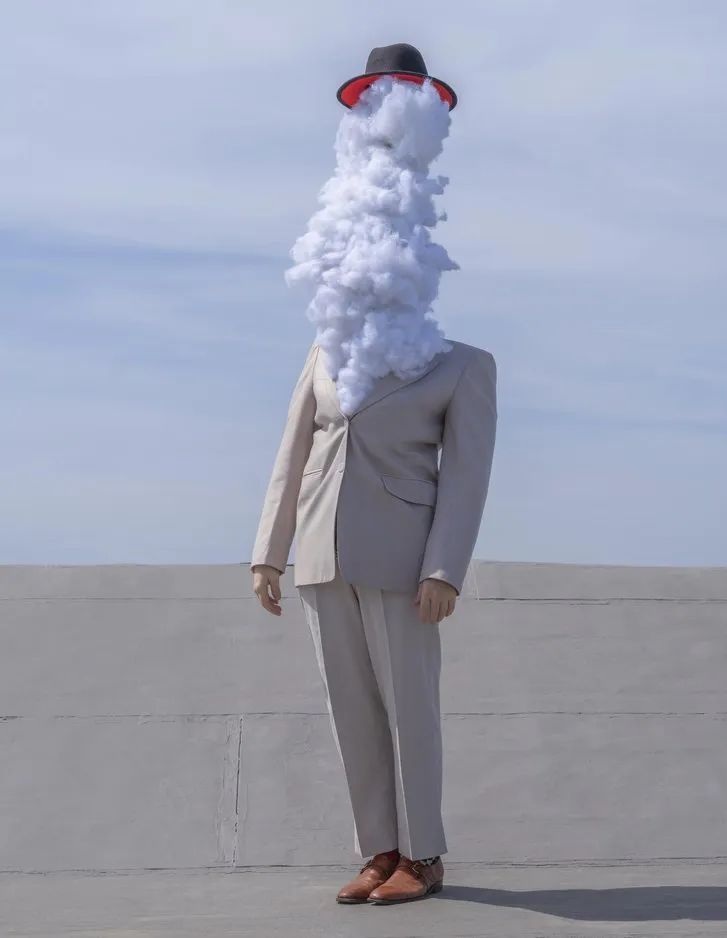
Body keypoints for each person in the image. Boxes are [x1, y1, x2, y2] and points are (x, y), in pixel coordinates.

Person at [250, 43, 497, 906]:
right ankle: (378, 850)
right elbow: (293, 450)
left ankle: (423, 856)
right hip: (322, 557)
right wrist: (268, 552)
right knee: (351, 711)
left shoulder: (460, 367)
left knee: (409, 711)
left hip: (402, 562)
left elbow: (466, 478)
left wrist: (444, 569)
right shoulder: (325, 354)